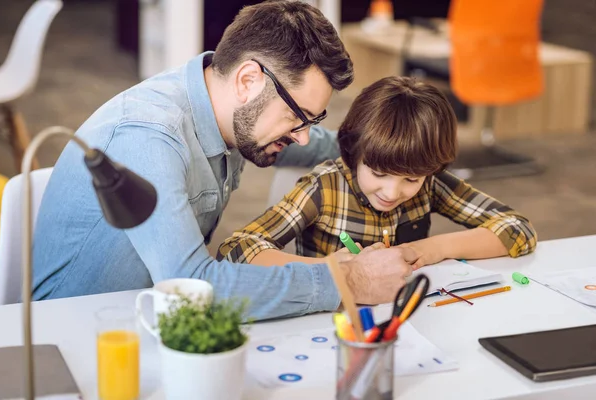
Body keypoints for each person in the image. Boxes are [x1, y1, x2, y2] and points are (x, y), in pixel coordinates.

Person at [32, 0, 416, 320]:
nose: (302, 134)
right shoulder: (149, 137)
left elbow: (317, 144)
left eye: (311, 120)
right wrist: (349, 281)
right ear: (248, 81)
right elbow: (193, 288)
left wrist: (395, 154)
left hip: (147, 318)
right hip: (75, 337)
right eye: (297, 116)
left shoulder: (230, 108)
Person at [217, 76, 538, 269]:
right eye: (380, 173)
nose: (392, 192)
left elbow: (517, 229)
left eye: (410, 179)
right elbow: (237, 249)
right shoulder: (325, 187)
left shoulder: (429, 183)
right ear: (355, 154)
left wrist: (430, 249)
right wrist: (328, 271)